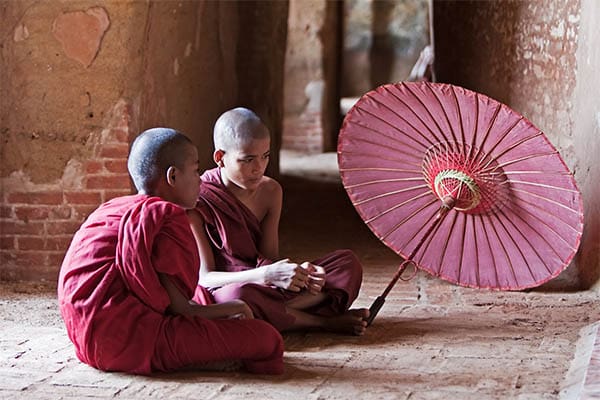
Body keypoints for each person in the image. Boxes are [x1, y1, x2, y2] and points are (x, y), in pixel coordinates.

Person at [57, 127, 284, 375]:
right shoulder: (166, 216)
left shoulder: (112, 208)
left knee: (205, 297)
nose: (200, 180)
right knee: (267, 339)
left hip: (83, 337)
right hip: (131, 341)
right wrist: (237, 307)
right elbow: (182, 310)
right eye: (196, 170)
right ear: (173, 176)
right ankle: (193, 359)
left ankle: (197, 353)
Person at [188, 108, 369, 336]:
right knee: (236, 298)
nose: (258, 168)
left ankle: (274, 315)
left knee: (347, 263)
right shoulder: (199, 200)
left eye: (265, 156)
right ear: (220, 158)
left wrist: (300, 273)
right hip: (230, 288)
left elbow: (269, 259)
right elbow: (205, 279)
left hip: (262, 289)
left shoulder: (271, 191)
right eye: (248, 160)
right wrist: (266, 276)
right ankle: (322, 322)